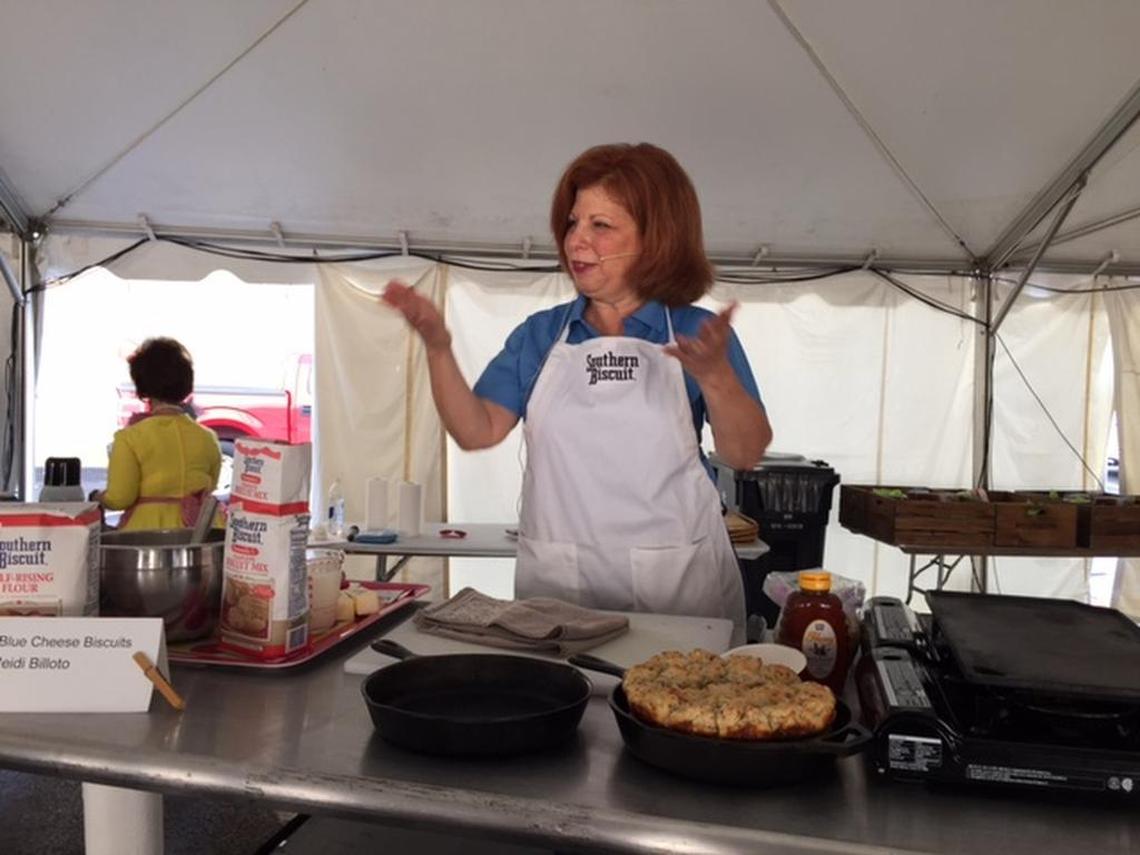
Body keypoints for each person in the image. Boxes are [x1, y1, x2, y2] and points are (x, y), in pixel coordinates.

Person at [382, 143, 772, 624]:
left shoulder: (697, 333)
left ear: (656, 239)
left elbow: (745, 453)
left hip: (676, 589)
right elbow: (476, 430)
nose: (575, 241)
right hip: (558, 589)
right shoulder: (542, 336)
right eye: (573, 222)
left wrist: (716, 378)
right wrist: (438, 346)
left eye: (600, 225)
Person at [92, 337, 223, 530]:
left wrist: (97, 497)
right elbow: (210, 486)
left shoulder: (129, 438)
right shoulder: (208, 437)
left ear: (141, 384)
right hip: (201, 532)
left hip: (148, 535)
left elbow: (120, 498)